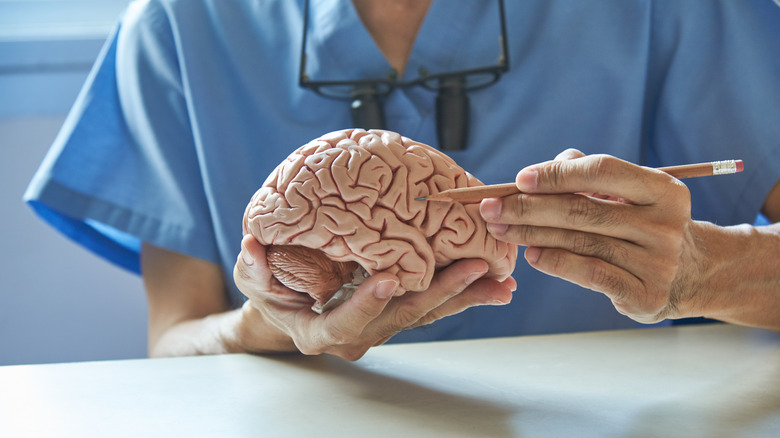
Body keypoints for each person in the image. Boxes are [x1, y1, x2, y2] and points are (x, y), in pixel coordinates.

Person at [25, 0, 780, 360]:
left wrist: (703, 273)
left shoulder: (680, 10)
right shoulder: (179, 29)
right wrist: (274, 322)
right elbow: (174, 345)